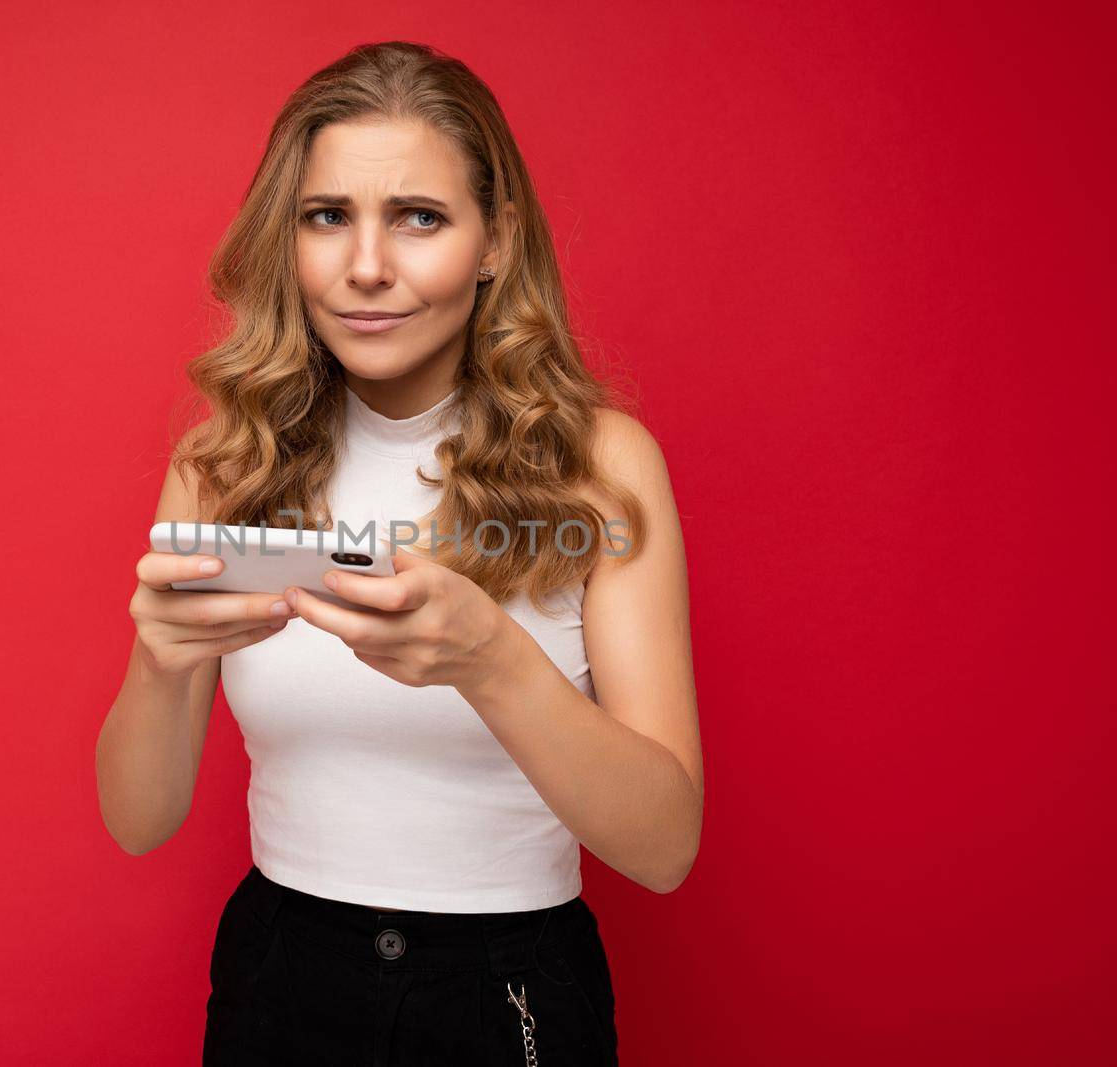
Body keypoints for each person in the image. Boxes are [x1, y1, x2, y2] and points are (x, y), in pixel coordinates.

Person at [96, 40, 704, 1066]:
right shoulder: (225, 462)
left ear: (494, 241)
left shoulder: (600, 464)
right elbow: (138, 818)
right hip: (279, 976)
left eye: (418, 217)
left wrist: (489, 657)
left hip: (509, 986)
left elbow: (664, 845)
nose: (366, 266)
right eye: (326, 216)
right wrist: (161, 664)